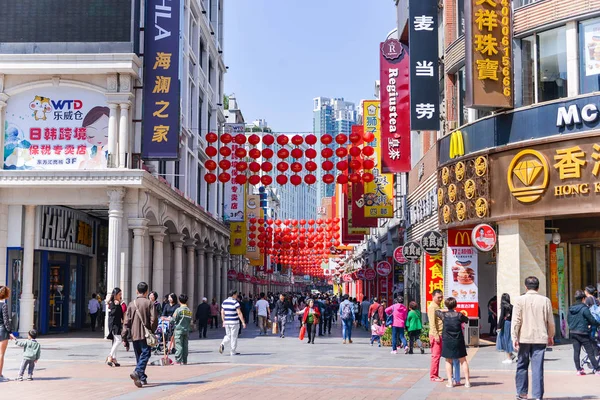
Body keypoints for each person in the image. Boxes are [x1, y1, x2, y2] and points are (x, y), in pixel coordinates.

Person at [512, 276, 555, 400]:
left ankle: (522, 393)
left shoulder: (519, 300)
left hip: (523, 337)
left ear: (526, 287)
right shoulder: (545, 300)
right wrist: (551, 335)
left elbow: (516, 321)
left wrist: (514, 337)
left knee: (521, 365)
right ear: (538, 287)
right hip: (540, 337)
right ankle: (537, 395)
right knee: (537, 367)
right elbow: (550, 321)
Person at [121, 281, 158, 388]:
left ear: (137, 291)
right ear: (146, 292)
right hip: (145, 335)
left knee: (139, 356)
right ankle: (138, 372)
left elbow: (126, 322)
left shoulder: (131, 304)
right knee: (146, 354)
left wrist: (124, 337)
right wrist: (151, 330)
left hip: (134, 335)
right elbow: (154, 319)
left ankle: (142, 378)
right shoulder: (149, 303)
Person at [436, 297, 471, 388]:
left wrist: (446, 309)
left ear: (447, 305)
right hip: (458, 340)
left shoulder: (444, 315)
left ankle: (450, 382)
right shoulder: (459, 315)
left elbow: (437, 312)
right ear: (456, 305)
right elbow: (466, 319)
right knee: (463, 360)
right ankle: (467, 382)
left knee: (448, 360)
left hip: (447, 340)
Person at [567, 290, 600, 375]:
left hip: (573, 332)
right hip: (583, 333)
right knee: (590, 351)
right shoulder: (584, 308)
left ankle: (578, 370)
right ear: (583, 298)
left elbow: (568, 320)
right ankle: (597, 369)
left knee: (576, 352)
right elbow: (591, 319)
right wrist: (596, 324)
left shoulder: (570, 308)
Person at [219, 290, 246, 356]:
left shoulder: (224, 302)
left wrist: (223, 321)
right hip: (234, 322)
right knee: (234, 337)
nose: (237, 295)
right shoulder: (235, 302)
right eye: (236, 294)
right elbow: (239, 312)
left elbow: (222, 312)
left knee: (228, 335)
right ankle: (233, 351)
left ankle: (222, 343)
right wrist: (243, 322)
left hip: (227, 322)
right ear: (233, 295)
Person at [428, 289, 444, 382]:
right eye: (438, 297)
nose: (440, 299)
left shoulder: (437, 306)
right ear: (433, 297)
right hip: (436, 335)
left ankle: (435, 375)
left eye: (441, 297)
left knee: (437, 356)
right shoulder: (432, 307)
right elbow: (432, 323)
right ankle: (433, 376)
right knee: (436, 356)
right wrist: (436, 335)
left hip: (440, 333)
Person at [106, 287, 124, 367]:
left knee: (115, 341)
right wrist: (117, 305)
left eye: (121, 294)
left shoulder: (118, 303)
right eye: (119, 294)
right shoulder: (112, 303)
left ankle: (114, 358)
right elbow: (112, 314)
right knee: (118, 340)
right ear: (115, 295)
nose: (120, 296)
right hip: (114, 324)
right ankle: (110, 355)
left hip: (118, 323)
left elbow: (120, 313)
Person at [172, 294, 192, 365]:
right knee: (185, 346)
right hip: (186, 330)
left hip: (179, 330)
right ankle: (185, 360)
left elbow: (173, 319)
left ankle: (178, 360)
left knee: (179, 345)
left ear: (179, 301)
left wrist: (168, 319)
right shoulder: (189, 311)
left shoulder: (178, 310)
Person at [496, 293, 515, 364]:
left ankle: (509, 358)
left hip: (505, 323)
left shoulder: (503, 305)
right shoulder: (511, 306)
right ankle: (511, 355)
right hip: (510, 323)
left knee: (505, 339)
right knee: (508, 338)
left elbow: (501, 316)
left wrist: (499, 326)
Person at [0, 286, 11, 382]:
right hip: (2, 331)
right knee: (1, 354)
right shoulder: (4, 305)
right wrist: (10, 332)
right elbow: (6, 320)